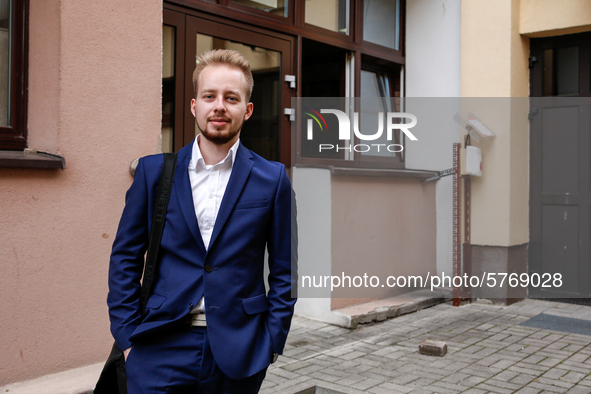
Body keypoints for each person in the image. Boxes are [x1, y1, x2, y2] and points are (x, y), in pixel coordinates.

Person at [107, 49, 297, 394]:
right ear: (195, 105)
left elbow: (284, 271)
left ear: (247, 109)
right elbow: (124, 258)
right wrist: (127, 337)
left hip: (239, 351)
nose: (219, 106)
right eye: (209, 96)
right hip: (158, 345)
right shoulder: (155, 173)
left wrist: (270, 343)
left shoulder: (272, 179)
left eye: (231, 98)